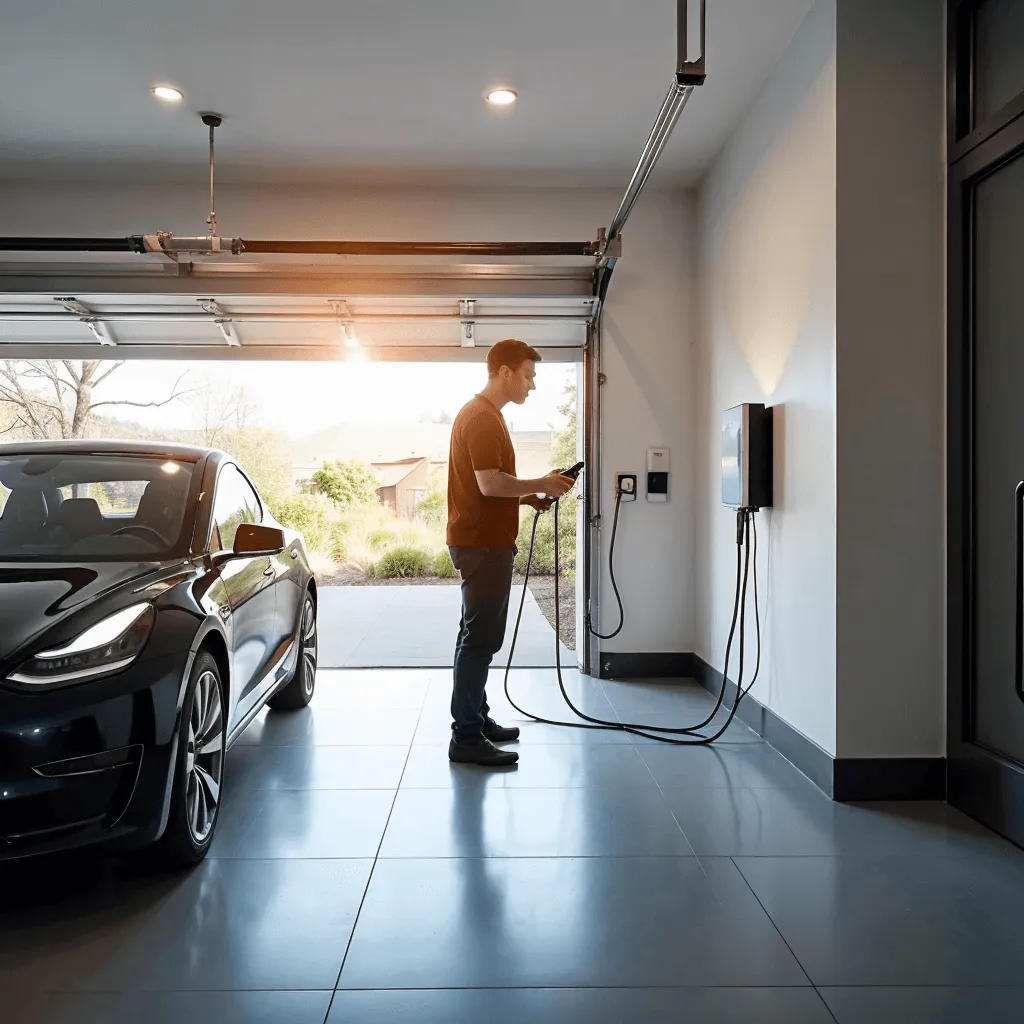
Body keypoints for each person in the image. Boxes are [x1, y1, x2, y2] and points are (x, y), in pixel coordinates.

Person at [446, 338, 576, 767]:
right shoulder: (482, 419)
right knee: (481, 641)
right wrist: (540, 483)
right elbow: (488, 484)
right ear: (505, 372)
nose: (532, 385)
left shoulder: (485, 415)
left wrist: (526, 498)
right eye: (528, 375)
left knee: (475, 637)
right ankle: (465, 737)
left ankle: (476, 719)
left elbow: (486, 487)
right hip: (482, 547)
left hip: (481, 541)